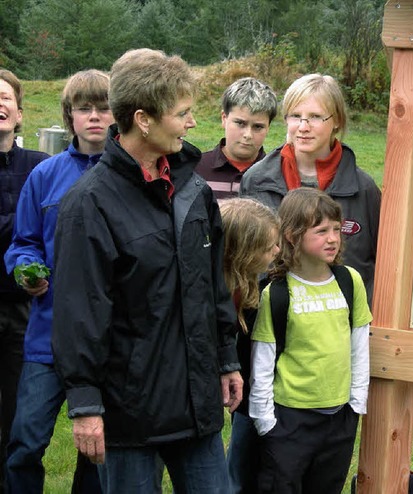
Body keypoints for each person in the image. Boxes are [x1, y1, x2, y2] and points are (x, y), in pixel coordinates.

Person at [51, 48, 242, 493]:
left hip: (196, 405)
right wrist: (84, 404)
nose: (192, 123)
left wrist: (225, 359)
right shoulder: (89, 204)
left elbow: (212, 285)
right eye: (182, 113)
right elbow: (80, 312)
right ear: (143, 119)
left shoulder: (193, 190)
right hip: (130, 412)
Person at [3, 69, 112, 494]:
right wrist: (26, 269)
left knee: (101, 449)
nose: (95, 117)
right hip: (46, 334)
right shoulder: (45, 177)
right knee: (25, 442)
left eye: (103, 108)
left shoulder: (129, 176)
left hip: (107, 337)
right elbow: (23, 242)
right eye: (84, 109)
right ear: (69, 116)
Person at [249, 187, 372, 494]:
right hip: (290, 421)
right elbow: (263, 358)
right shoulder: (277, 293)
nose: (332, 238)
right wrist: (266, 421)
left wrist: (356, 402)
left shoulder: (349, 281)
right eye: (321, 231)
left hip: (339, 418)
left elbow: (359, 343)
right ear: (291, 236)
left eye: (336, 229)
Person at [240, 73, 381, 304]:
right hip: (270, 322)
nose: (303, 127)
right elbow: (242, 260)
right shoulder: (255, 180)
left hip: (339, 326)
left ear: (337, 121)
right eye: (295, 116)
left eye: (315, 117)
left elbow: (380, 266)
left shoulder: (364, 190)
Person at [0, 69, 49, 494]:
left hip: (22, 309)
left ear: (19, 113)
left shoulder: (40, 167)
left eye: (5, 98)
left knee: (16, 414)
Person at [219, 198, 280, 494]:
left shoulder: (252, 283)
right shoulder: (207, 288)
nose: (278, 251)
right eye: (269, 246)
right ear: (242, 251)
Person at [195, 77, 277, 199]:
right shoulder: (196, 169)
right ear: (224, 118)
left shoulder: (277, 175)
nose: (248, 135)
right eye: (240, 123)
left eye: (258, 127)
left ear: (268, 127)